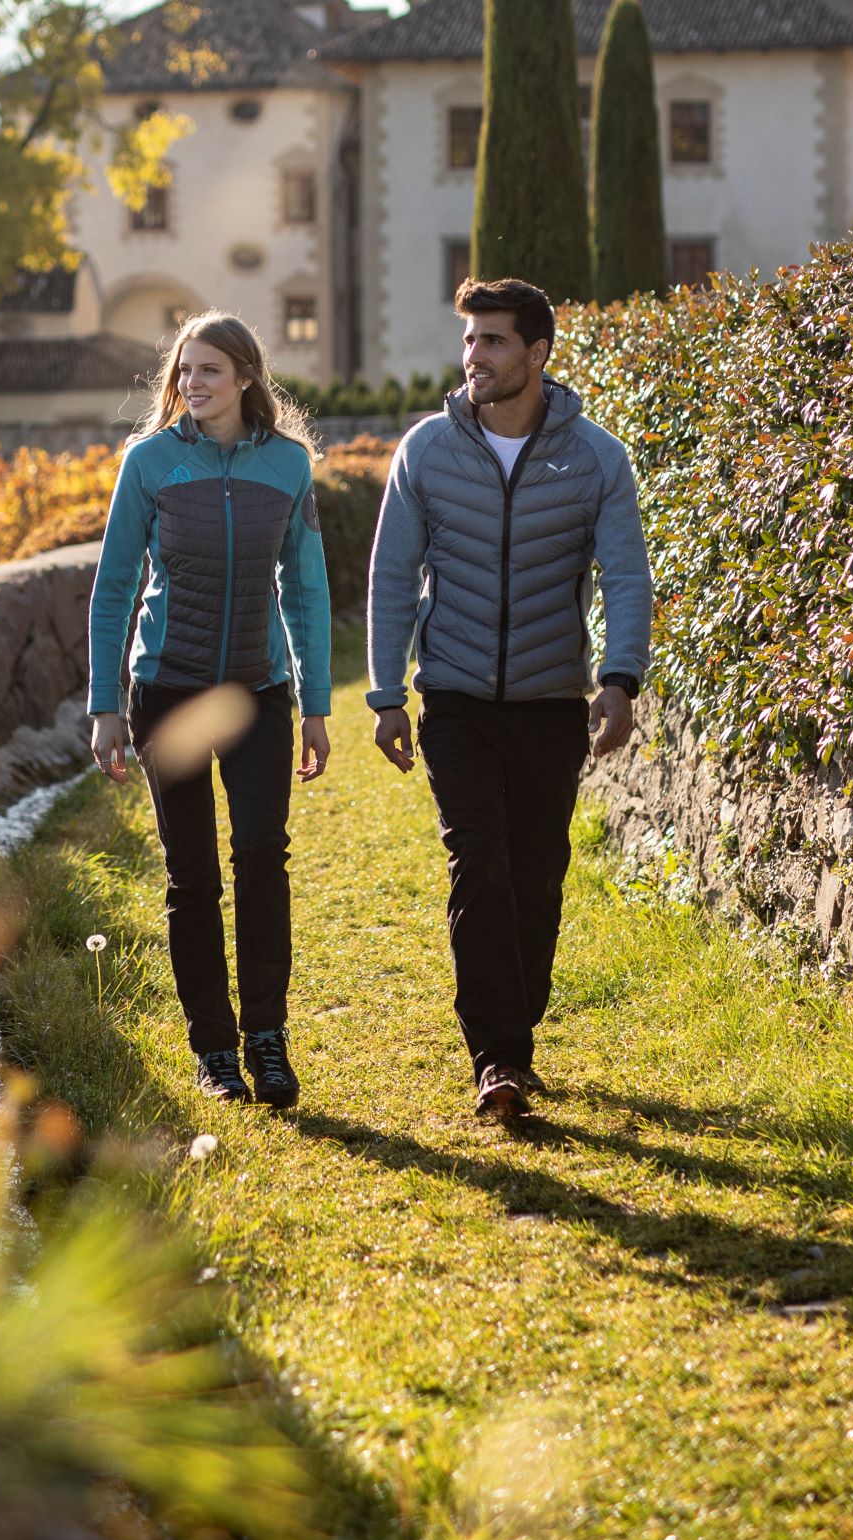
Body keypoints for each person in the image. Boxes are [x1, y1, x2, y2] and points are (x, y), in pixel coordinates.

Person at [365, 276, 651, 1123]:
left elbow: (625, 576)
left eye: (493, 341)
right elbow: (390, 575)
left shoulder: (595, 456)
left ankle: (514, 1031)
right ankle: (497, 1059)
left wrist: (619, 678)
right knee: (477, 867)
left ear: (538, 353)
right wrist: (386, 694)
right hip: (453, 697)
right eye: (468, 341)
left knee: (537, 874)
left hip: (550, 699)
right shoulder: (426, 450)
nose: (474, 357)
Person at [88, 312, 333, 1108]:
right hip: (169, 691)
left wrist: (316, 703)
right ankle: (214, 1050)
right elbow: (114, 587)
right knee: (192, 878)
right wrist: (105, 707)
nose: (193, 384)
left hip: (258, 693)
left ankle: (267, 1038)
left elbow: (305, 589)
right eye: (184, 371)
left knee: (263, 857)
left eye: (210, 372)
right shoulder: (149, 463)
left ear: (246, 379)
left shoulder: (289, 466)